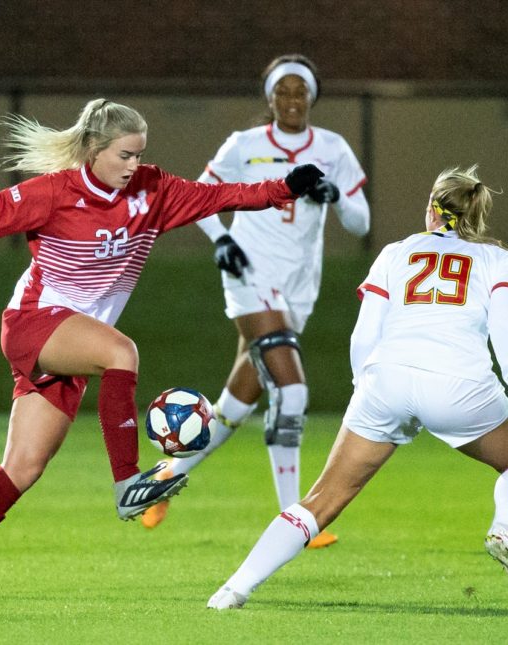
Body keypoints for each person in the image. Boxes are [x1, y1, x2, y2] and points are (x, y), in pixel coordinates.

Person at [0, 98, 324, 598]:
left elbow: (221, 196)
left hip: (71, 342)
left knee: (23, 467)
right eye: (124, 155)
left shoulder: (154, 189)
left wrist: (285, 187)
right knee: (122, 354)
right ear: (92, 150)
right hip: (34, 323)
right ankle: (128, 486)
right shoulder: (56, 193)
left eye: (139, 154)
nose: (134, 165)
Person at [207, 165, 508, 610]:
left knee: (321, 500)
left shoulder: (396, 252)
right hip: (459, 384)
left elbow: (364, 333)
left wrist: (365, 389)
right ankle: (505, 530)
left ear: (433, 210)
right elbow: (504, 326)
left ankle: (233, 589)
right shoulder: (496, 259)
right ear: (476, 215)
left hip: (386, 378)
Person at [141, 54, 370, 550]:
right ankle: (297, 519)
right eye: (282, 92)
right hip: (249, 273)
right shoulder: (245, 145)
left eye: (300, 92)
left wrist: (336, 196)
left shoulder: (332, 148)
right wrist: (221, 239)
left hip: (299, 284)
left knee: (236, 403)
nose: (291, 100)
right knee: (291, 391)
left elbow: (361, 223)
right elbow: (197, 194)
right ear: (269, 98)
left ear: (312, 97)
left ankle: (164, 479)